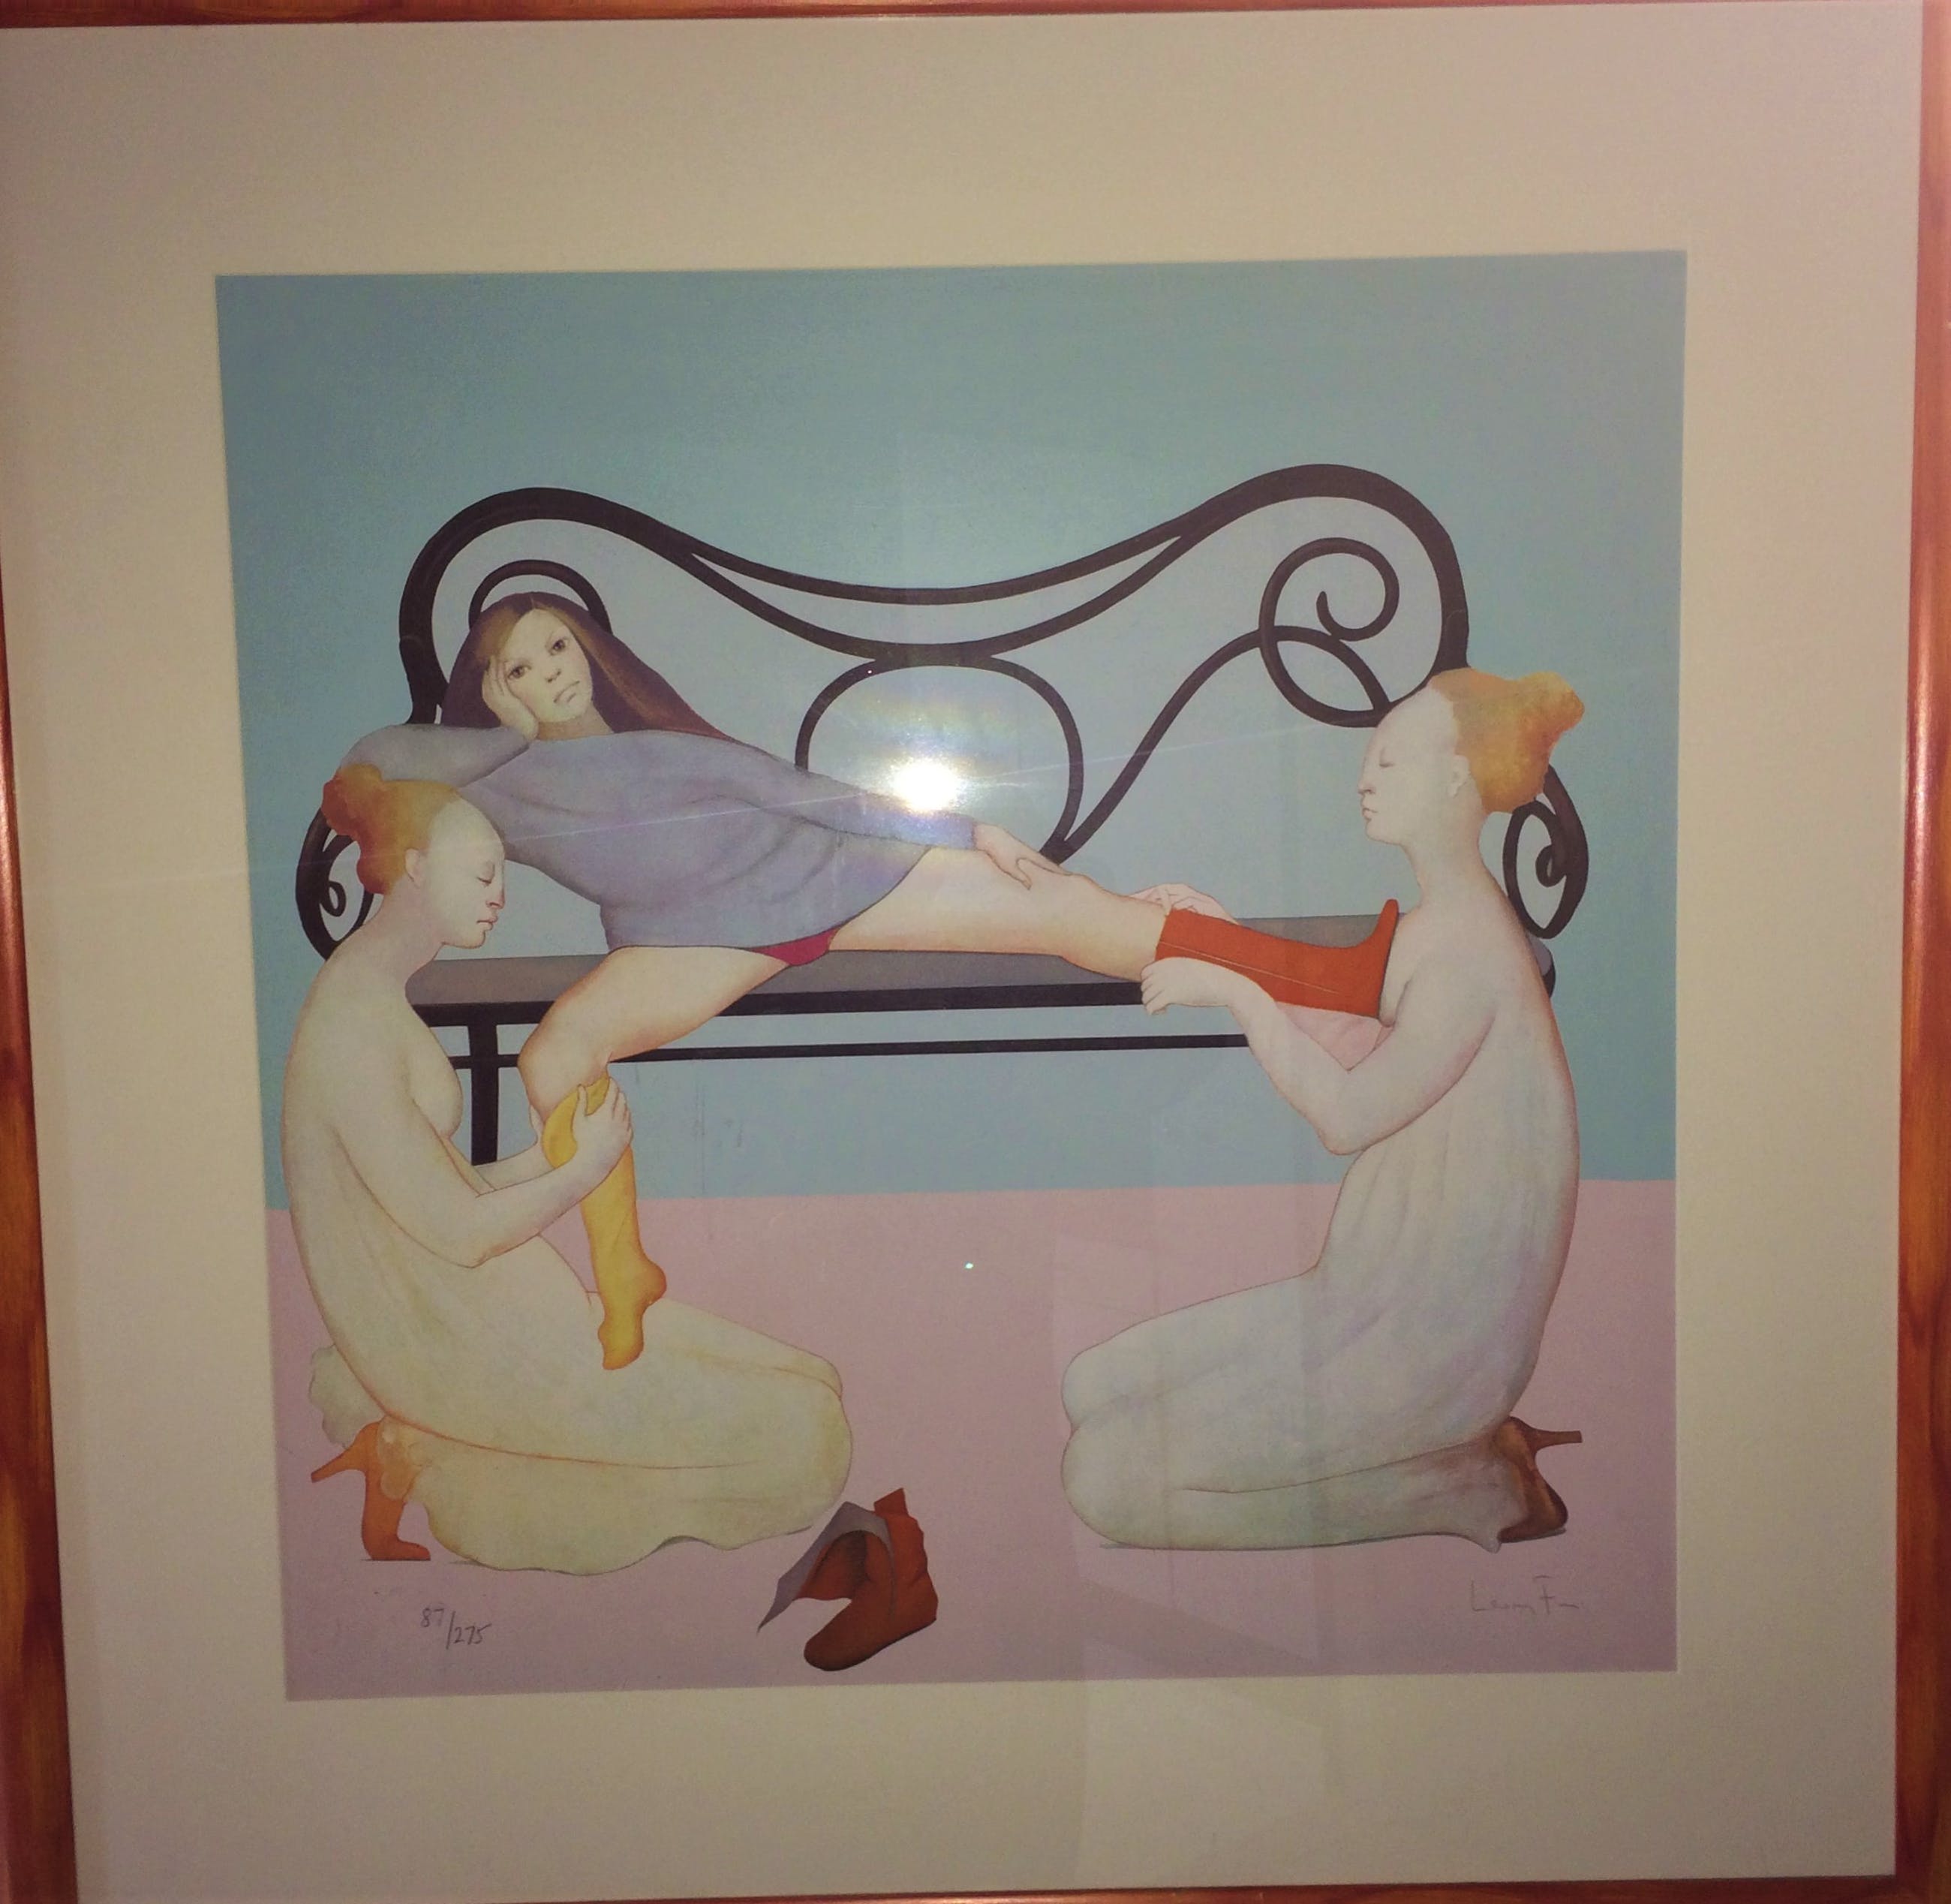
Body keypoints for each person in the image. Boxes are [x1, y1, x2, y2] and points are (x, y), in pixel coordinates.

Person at [344, 592, 1399, 1370]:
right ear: (494, 687)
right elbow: (374, 757)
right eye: (520, 667)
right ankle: (625, 1273)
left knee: (1070, 913)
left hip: (836, 882)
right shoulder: (501, 777)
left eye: (558, 647)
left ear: (589, 648)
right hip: (692, 943)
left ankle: (1334, 978)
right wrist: (502, 731)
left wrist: (967, 828)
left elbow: (810, 795)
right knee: (554, 1055)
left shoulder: (663, 746)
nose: (552, 673)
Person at [1058, 667, 1586, 1551]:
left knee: (1103, 1477)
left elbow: (1345, 1115)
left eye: (1388, 759)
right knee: (1089, 1385)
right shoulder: (1437, 925)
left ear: (1455, 775)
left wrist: (1235, 992)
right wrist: (1221, 934)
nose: (1363, 778)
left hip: (1431, 1345)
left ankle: (1464, 1488)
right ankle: (1454, 1460)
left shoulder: (1467, 959)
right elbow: (1353, 1045)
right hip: (1355, 1302)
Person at [286, 764, 852, 1574]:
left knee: (813, 1378)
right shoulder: (352, 1027)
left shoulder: (372, 994)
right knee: (808, 1440)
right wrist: (580, 1170)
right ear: (414, 868)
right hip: (457, 1354)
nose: (499, 897)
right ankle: (425, 1453)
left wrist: (539, 1157)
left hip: (496, 1321)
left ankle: (415, 1446)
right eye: (482, 875)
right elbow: (458, 1231)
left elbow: (423, 1192)